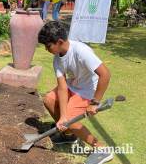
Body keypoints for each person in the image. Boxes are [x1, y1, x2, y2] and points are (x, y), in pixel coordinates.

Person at [38, 21, 113, 164]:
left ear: (59, 42)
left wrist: (95, 102)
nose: (46, 49)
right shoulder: (57, 58)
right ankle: (69, 136)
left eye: (48, 46)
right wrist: (63, 117)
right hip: (72, 86)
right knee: (49, 101)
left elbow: (105, 74)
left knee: (71, 120)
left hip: (88, 89)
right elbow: (61, 87)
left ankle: (102, 150)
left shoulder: (80, 52)